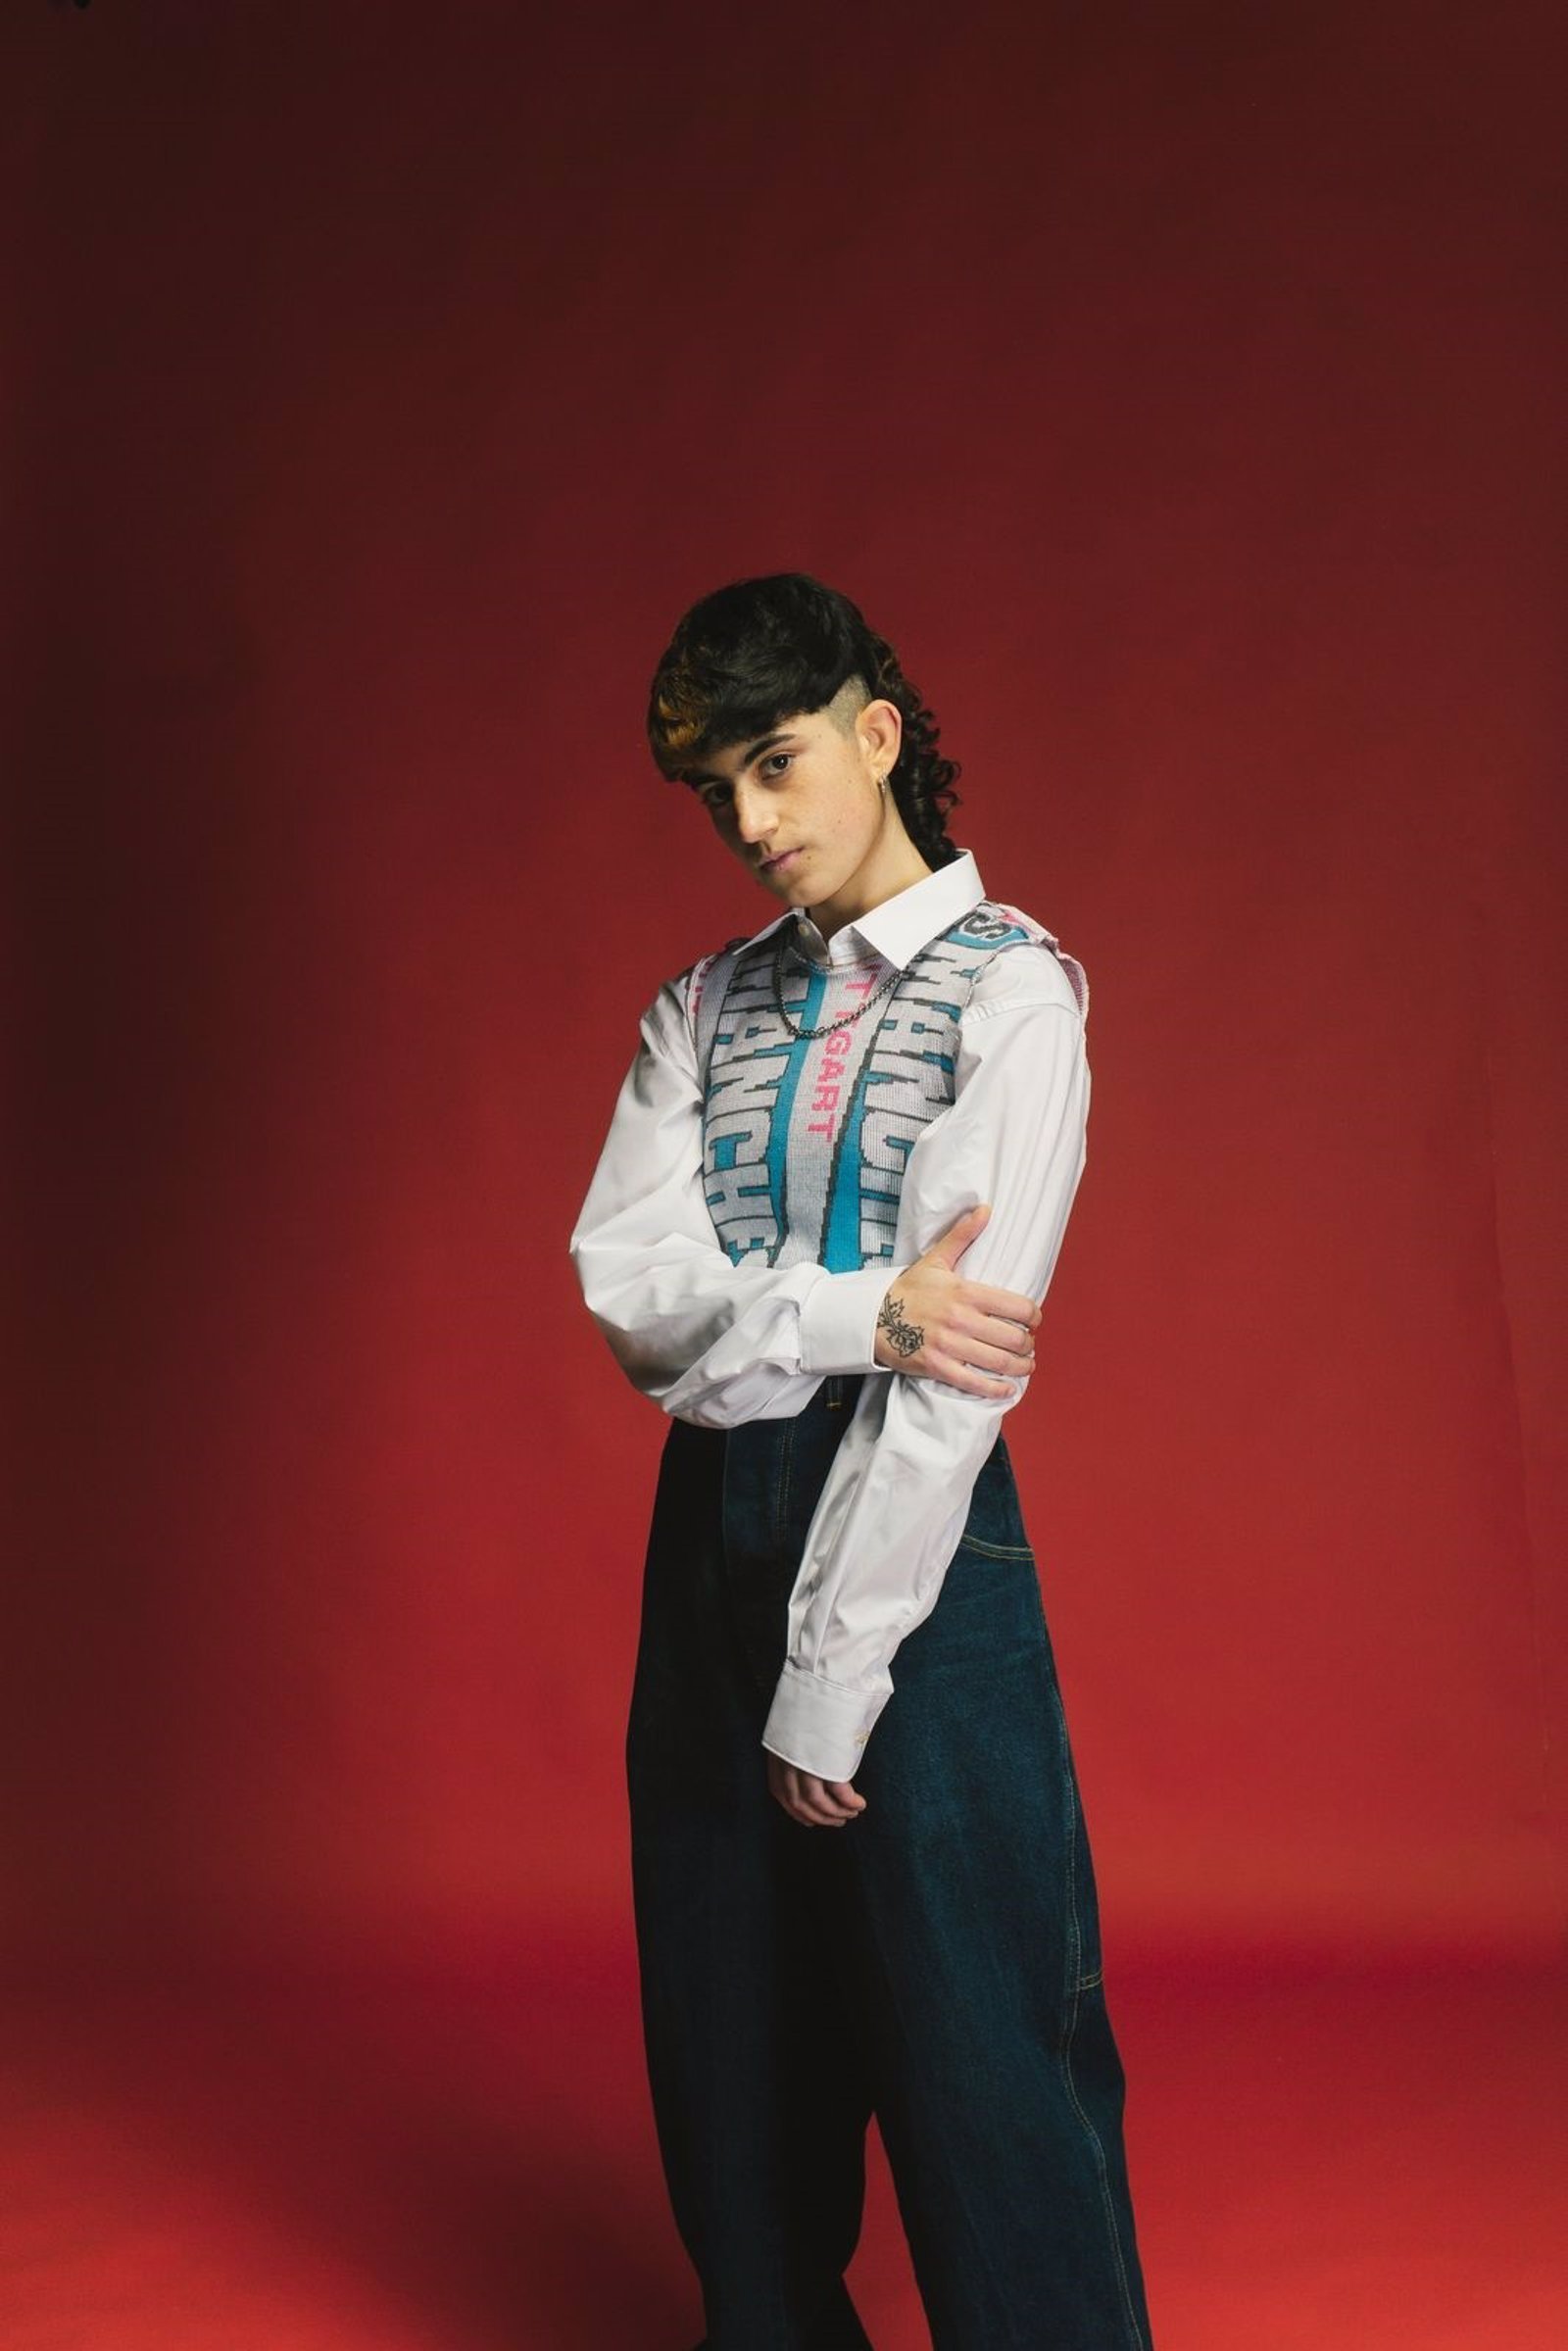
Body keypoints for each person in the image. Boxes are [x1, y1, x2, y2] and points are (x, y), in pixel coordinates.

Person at [568, 572, 1155, 2350]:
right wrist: (859, 1312)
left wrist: (831, 1682)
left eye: (778, 762)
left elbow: (955, 1374)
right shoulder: (699, 1007)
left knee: (986, 2036)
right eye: (717, 792)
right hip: (710, 1537)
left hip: (921, 1543)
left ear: (876, 735)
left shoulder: (1014, 994)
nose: (751, 822)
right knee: (729, 2023)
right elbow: (637, 1299)